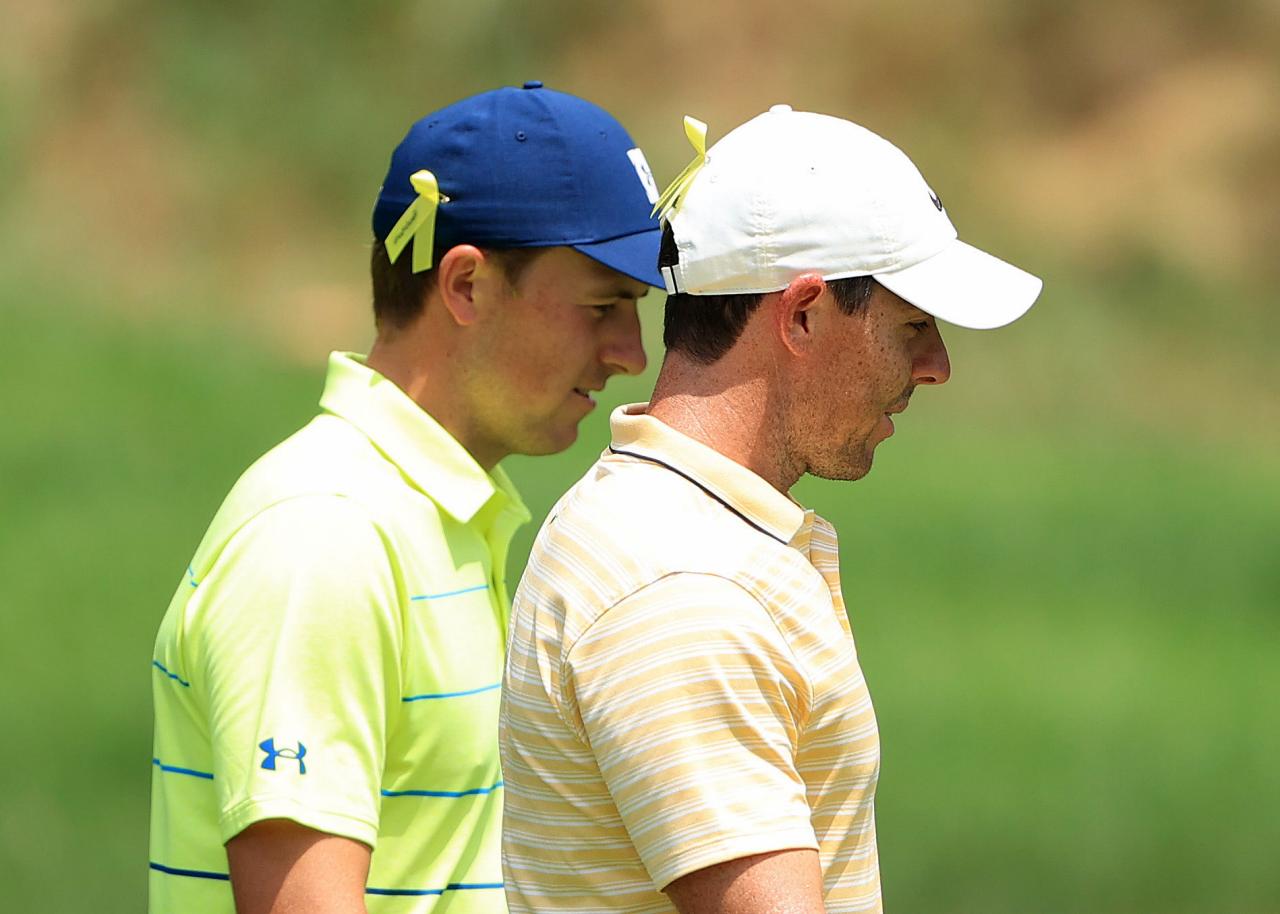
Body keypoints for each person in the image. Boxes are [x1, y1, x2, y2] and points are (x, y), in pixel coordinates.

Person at [499, 105, 1043, 914]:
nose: (937, 367)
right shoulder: (682, 590)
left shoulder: (669, 531)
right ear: (801, 313)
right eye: (914, 326)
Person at [149, 82, 663, 914]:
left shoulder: (439, 517)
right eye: (603, 306)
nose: (630, 353)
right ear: (466, 286)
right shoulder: (324, 539)